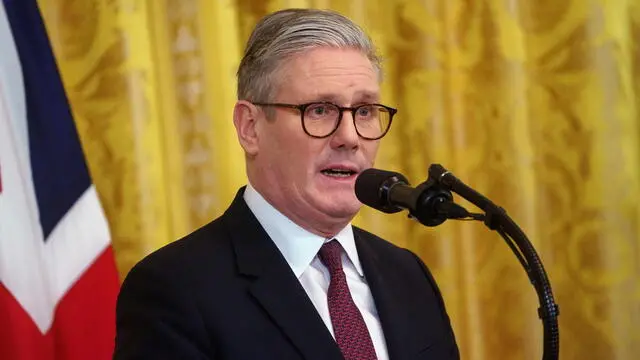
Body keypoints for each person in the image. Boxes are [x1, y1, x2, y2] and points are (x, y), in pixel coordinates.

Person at [114, 8, 459, 360]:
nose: (349, 137)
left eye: (365, 111)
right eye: (320, 110)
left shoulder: (407, 275)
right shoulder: (176, 289)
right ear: (250, 127)